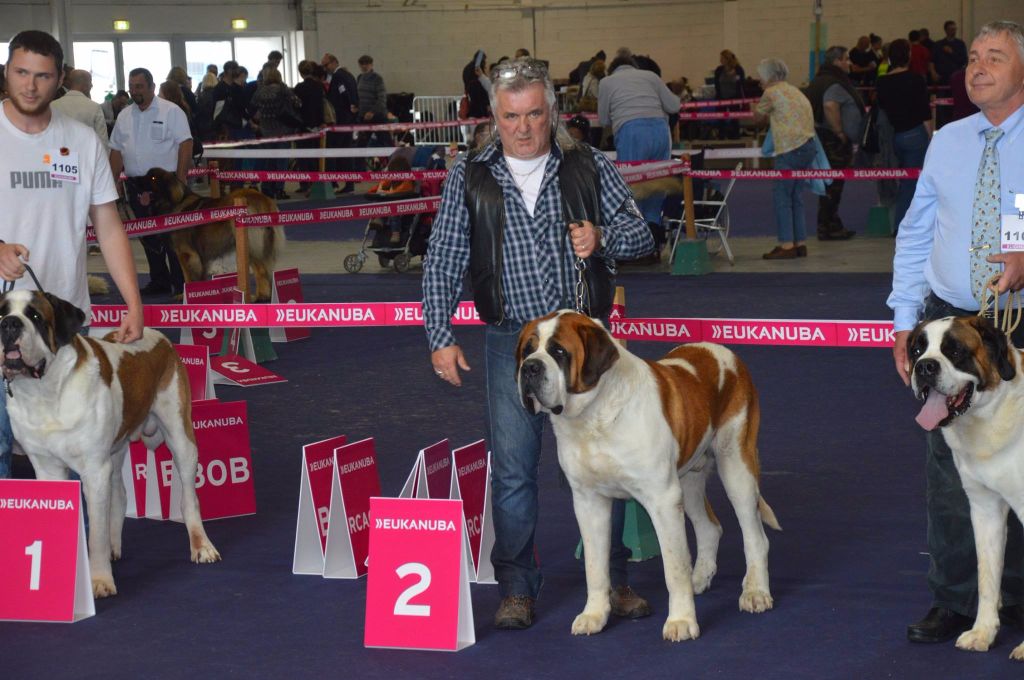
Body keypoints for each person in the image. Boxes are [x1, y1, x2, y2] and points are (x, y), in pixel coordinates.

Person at [423, 57, 655, 630]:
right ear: (493, 117)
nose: (522, 128)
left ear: (552, 111)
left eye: (533, 115)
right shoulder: (467, 174)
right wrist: (440, 335)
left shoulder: (589, 164)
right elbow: (443, 261)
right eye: (510, 117)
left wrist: (600, 238)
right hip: (510, 341)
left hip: (582, 343)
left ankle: (615, 581)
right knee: (513, 471)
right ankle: (517, 588)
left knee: (604, 465)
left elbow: (642, 234)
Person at [888, 19, 1024, 645]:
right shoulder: (946, 140)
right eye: (973, 57)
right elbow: (916, 231)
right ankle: (956, 599)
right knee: (950, 470)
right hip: (947, 320)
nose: (978, 67)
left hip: (1018, 318)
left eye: (994, 57)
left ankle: (1016, 599)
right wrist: (904, 322)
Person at [0, 30, 144, 479]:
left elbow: (109, 225)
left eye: (42, 76)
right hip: (2, 324)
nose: (30, 86)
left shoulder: (82, 142)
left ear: (59, 79)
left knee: (76, 452)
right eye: (21, 73)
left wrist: (133, 304)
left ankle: (68, 547)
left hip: (63, 330)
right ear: (6, 71)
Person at [109, 67, 193, 297]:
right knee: (148, 236)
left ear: (152, 87)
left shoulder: (171, 111)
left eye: (139, 87)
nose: (134, 91)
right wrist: (112, 180)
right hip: (137, 185)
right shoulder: (125, 115)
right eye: (131, 87)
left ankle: (181, 283)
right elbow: (116, 149)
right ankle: (159, 280)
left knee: (173, 237)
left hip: (166, 185)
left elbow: (186, 143)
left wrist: (181, 178)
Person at [598, 54, 679, 248]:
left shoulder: (607, 82)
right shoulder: (651, 76)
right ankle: (654, 232)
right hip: (660, 130)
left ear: (612, 69)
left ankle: (636, 238)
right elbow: (675, 105)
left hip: (631, 131)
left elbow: (603, 120)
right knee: (657, 181)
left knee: (632, 185)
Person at [752, 57, 817, 260]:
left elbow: (757, 119)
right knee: (796, 197)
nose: (759, 80)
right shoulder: (795, 90)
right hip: (808, 146)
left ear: (768, 76)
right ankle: (800, 243)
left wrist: (752, 108)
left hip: (790, 149)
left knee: (782, 197)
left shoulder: (770, 93)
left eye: (760, 76)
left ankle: (787, 245)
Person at [804, 45, 864, 241]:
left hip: (823, 138)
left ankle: (832, 223)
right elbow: (830, 106)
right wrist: (839, 132)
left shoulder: (820, 79)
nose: (849, 63)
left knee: (831, 185)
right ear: (837, 61)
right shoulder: (834, 82)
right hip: (833, 141)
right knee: (833, 185)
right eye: (846, 59)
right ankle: (827, 227)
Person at [875, 39, 932, 234]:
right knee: (912, 183)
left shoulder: (881, 82)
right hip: (914, 134)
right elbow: (925, 113)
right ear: (908, 56)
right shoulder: (916, 79)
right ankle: (902, 227)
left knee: (895, 181)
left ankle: (898, 222)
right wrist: (931, 137)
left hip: (892, 137)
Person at [247, 68, 301, 200]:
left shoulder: (260, 91)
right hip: (282, 130)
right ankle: (279, 189)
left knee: (268, 160)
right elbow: (297, 103)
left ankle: (267, 188)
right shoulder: (283, 89)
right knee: (281, 161)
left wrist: (259, 118)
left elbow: (251, 108)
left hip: (265, 130)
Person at [321, 52, 359, 194]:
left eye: (326, 65)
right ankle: (349, 185)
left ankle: (333, 183)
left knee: (333, 152)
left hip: (340, 120)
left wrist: (351, 104)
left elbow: (344, 93)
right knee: (346, 153)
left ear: (333, 62)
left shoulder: (338, 76)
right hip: (348, 120)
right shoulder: (348, 74)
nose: (325, 68)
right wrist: (353, 106)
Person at [50, 68, 108, 147]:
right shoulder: (95, 107)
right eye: (90, 82)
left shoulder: (52, 105)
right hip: (87, 156)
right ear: (84, 86)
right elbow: (102, 140)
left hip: (60, 156)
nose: (92, 85)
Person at [356, 54, 391, 150]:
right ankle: (360, 165)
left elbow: (382, 99)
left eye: (367, 63)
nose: (364, 66)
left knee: (386, 144)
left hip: (378, 117)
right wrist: (356, 107)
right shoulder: (359, 78)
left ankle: (393, 164)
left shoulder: (377, 79)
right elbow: (358, 97)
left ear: (371, 65)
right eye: (362, 64)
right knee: (360, 146)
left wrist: (372, 112)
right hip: (363, 118)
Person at [713, 49, 746, 139]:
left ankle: (735, 135)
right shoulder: (719, 70)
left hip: (734, 98)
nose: (720, 60)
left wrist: (741, 99)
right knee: (720, 118)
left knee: (734, 118)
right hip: (721, 97)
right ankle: (721, 135)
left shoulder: (738, 69)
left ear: (727, 59)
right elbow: (716, 83)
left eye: (722, 58)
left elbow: (742, 84)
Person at [932, 20, 968, 86]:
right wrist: (933, 73)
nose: (953, 31)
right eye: (951, 29)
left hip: (956, 77)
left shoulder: (960, 44)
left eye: (954, 29)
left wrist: (952, 52)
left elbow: (964, 60)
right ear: (946, 30)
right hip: (941, 77)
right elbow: (932, 61)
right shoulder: (938, 44)